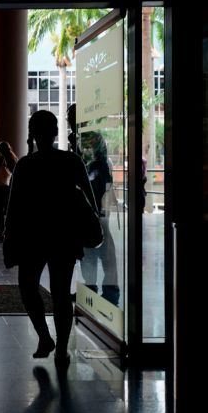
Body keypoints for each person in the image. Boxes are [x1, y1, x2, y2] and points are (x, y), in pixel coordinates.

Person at [3, 110, 98, 366]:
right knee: (60, 293)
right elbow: (90, 201)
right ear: (56, 132)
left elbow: (14, 208)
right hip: (64, 236)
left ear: (32, 134)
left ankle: (45, 338)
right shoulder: (72, 161)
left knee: (28, 287)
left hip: (33, 237)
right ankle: (62, 349)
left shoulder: (25, 165)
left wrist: (9, 240)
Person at [80, 130, 120, 305]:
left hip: (97, 214)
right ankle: (99, 289)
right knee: (96, 252)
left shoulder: (98, 165)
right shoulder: (98, 163)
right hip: (98, 213)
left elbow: (99, 190)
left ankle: (106, 290)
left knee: (100, 252)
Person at [0, 141, 18, 243]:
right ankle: (8, 234)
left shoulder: (2, 159)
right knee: (8, 213)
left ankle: (1, 234)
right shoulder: (12, 159)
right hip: (7, 188)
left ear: (0, 150)